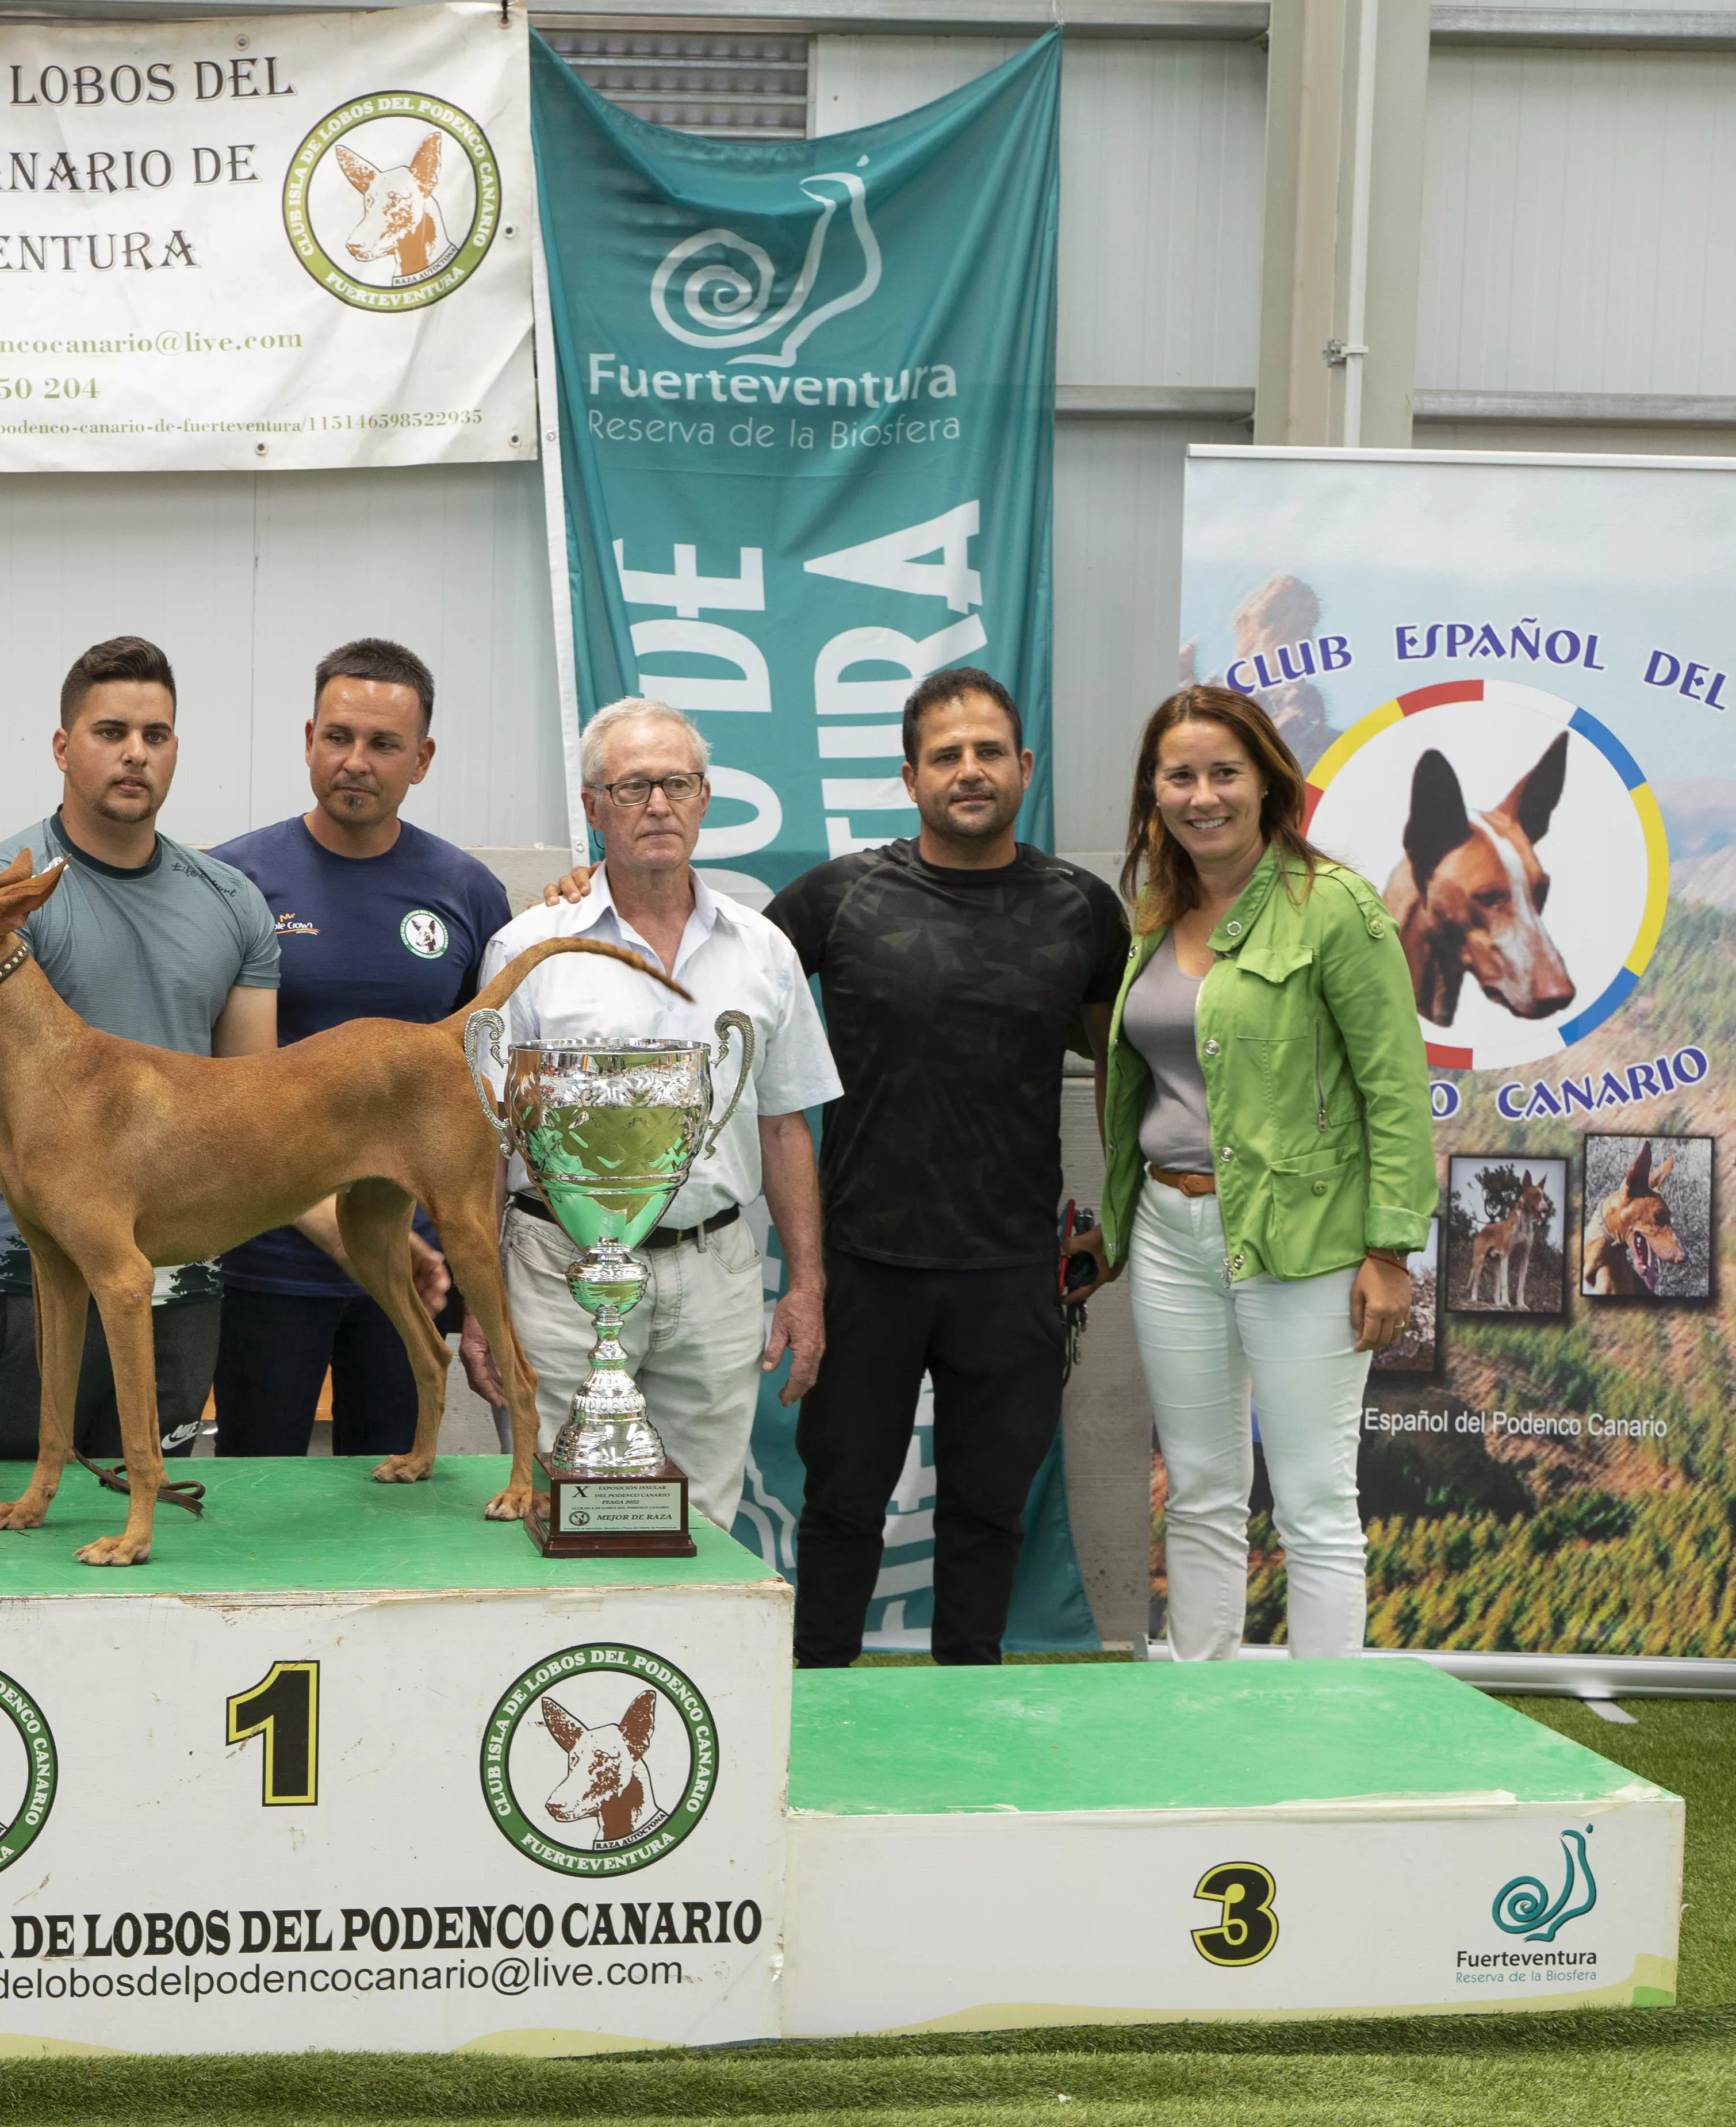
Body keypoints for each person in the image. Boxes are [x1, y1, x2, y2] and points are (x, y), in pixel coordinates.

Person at [762, 666, 1128, 1668]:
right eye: (946, 756)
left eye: (989, 752)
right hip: (864, 1264)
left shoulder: (1084, 910)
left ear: (1026, 766)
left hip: (1013, 1272)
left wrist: (1106, 1212)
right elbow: (713, 972)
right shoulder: (839, 897)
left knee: (988, 1513)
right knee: (839, 1509)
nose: (970, 771)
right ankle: (819, 1706)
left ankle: (968, 1712)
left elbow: (1120, 1073)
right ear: (911, 776)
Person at [1099, 685, 1432, 1661]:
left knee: (1314, 1500)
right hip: (1170, 1232)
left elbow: (1396, 1091)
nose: (1204, 795)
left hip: (1308, 1240)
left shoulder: (1335, 908)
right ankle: (1206, 1717)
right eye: (1181, 775)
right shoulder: (1159, 913)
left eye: (1224, 772)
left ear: (1268, 783)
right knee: (1200, 1486)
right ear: (1154, 793)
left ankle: (1319, 1745)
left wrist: (1390, 1250)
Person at [466, 699, 840, 1519]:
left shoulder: (764, 951)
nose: (659, 805)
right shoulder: (528, 947)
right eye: (632, 788)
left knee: (704, 1523)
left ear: (706, 799)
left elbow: (785, 1129)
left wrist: (806, 1288)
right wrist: (479, 1303)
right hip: (559, 1271)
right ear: (594, 808)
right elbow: (487, 1147)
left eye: (678, 783)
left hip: (717, 1275)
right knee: (564, 1518)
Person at [0, 637, 279, 1462]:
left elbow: (257, 1101)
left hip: (178, 1277)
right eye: (110, 731)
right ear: (63, 746)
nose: (135, 754)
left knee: (146, 1539)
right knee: (13, 1539)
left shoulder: (231, 902)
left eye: (155, 736)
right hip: (23, 1272)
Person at [205, 639, 509, 1457]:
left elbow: (487, 1098)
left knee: (396, 1524)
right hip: (264, 1262)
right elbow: (218, 1089)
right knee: (256, 1506)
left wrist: (480, 1277)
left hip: (410, 1270)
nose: (355, 762)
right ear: (309, 739)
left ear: (423, 759)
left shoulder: (470, 893)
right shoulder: (233, 880)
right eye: (337, 737)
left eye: (383, 744)